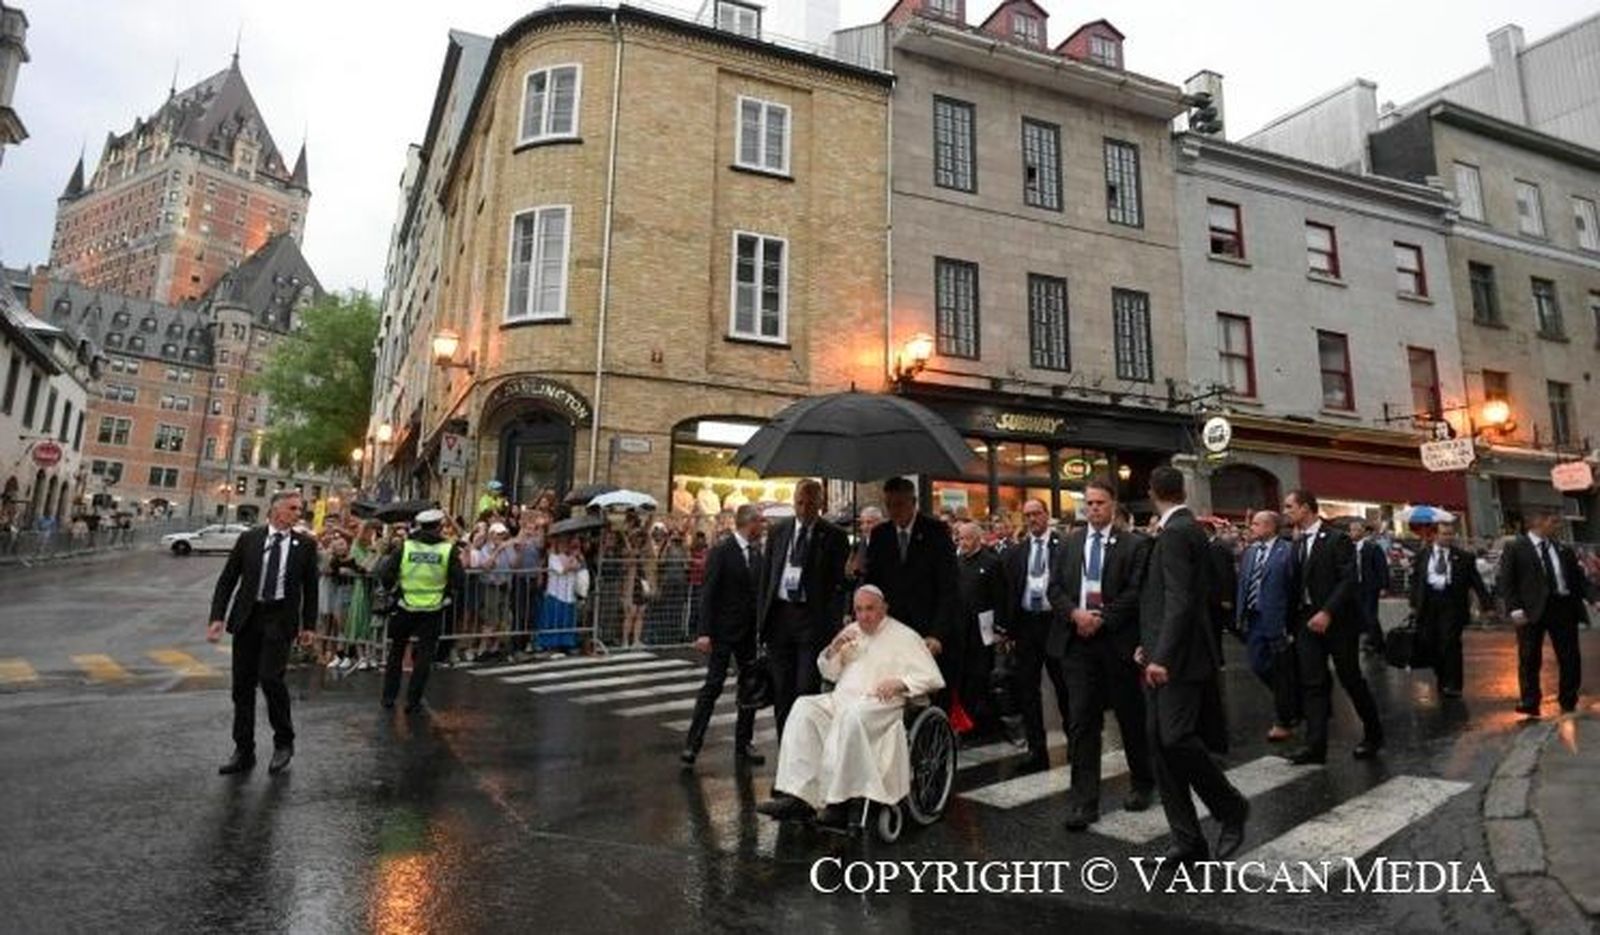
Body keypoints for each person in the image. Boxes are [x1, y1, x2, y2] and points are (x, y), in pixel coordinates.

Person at [1135, 467, 1249, 862]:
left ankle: (1230, 807)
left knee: (1175, 739)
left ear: (1152, 493)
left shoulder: (1178, 532)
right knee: (1161, 747)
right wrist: (1147, 646)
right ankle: (1187, 840)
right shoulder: (1183, 528)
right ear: (1182, 490)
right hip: (1162, 654)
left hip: (1178, 661)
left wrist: (1161, 655)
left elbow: (1181, 600)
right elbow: (1163, 600)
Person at [757, 586, 944, 825]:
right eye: (859, 610)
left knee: (852, 717)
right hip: (842, 698)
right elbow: (830, 673)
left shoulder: (905, 636)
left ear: (883, 608)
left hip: (880, 705)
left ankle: (839, 803)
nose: (864, 616)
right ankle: (800, 796)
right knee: (803, 708)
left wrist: (901, 682)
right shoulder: (851, 631)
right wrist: (834, 650)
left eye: (870, 609)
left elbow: (932, 678)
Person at [1047, 479, 1155, 829]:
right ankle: (1084, 801)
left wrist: (1103, 618)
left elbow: (1137, 591)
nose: (1093, 508)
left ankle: (1142, 782)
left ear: (1113, 505)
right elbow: (1055, 588)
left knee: (1129, 717)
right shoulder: (1068, 543)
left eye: (1100, 503)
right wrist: (1075, 615)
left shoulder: (1134, 545)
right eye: (1089, 503)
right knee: (1082, 722)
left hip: (1116, 644)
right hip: (1077, 644)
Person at [206, 491, 320, 775]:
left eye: (299, 508)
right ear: (276, 510)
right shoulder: (250, 539)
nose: (298, 513)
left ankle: (284, 742)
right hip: (249, 617)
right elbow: (227, 580)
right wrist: (217, 617)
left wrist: (308, 626)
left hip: (280, 618)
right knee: (242, 687)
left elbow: (312, 589)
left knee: (271, 678)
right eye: (293, 508)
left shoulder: (305, 545)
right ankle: (243, 750)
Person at [1282, 489, 1384, 764]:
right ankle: (1315, 746)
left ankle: (1373, 735)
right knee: (1312, 683)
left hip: (1338, 623)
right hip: (1305, 623)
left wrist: (1327, 611)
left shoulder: (1337, 539)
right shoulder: (1296, 543)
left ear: (1306, 508)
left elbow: (1349, 580)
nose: (1286, 511)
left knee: (1350, 678)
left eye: (1290, 506)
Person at [758, 479, 849, 736]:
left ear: (820, 505)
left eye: (810, 503)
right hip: (780, 618)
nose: (804, 508)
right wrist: (761, 623)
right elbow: (767, 577)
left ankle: (804, 746)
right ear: (793, 501)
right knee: (782, 690)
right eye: (800, 502)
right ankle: (785, 749)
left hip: (811, 620)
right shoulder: (778, 531)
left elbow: (837, 584)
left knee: (804, 689)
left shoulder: (834, 536)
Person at [682, 504, 767, 767]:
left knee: (749, 687)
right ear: (748, 523)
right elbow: (708, 593)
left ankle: (744, 743)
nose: (763, 528)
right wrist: (704, 632)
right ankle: (692, 743)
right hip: (721, 631)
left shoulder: (758, 556)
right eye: (760, 523)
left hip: (747, 632)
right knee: (713, 685)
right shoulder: (722, 552)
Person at [864, 477, 961, 704]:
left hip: (929, 628)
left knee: (932, 697)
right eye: (889, 505)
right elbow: (873, 584)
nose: (893, 511)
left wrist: (938, 634)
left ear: (913, 502)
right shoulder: (880, 535)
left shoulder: (936, 531)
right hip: (894, 630)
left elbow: (949, 588)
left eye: (899, 504)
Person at [1498, 506, 1590, 717]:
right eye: (1554, 522)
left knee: (1570, 657)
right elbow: (1507, 581)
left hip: (1562, 608)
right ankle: (1530, 700)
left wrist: (1593, 599)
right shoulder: (1516, 547)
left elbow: (1578, 580)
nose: (1558, 526)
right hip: (1531, 610)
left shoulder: (1562, 549)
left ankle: (1568, 699)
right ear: (1539, 522)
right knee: (1529, 657)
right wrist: (1515, 608)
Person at [1000, 497, 1069, 772]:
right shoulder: (1017, 552)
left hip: (1055, 622)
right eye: (1027, 515)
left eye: (1036, 514)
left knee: (1063, 685)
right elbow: (1010, 591)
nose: (1031, 520)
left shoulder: (1063, 546)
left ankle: (1075, 743)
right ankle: (1036, 749)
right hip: (1027, 625)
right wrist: (1007, 629)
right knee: (1028, 689)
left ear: (1047, 515)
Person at [377, 509, 464, 713]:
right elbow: (459, 580)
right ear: (439, 526)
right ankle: (413, 700)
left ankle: (388, 697)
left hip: (405, 606)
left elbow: (387, 574)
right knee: (424, 656)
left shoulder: (405, 547)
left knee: (396, 652)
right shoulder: (447, 549)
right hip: (433, 608)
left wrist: (394, 590)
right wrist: (447, 594)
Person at [1236, 510, 1299, 742]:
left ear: (1271, 527)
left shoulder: (1287, 551)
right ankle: (1291, 698)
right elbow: (1244, 583)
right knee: (1258, 664)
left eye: (1256, 523)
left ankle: (1285, 718)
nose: (1251, 527)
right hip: (1253, 618)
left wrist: (1289, 622)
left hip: (1276, 618)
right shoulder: (1250, 552)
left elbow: (1293, 588)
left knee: (1281, 669)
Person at [1410, 520, 1490, 699]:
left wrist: (1487, 604)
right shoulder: (1423, 555)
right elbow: (1416, 579)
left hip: (1452, 603)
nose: (1448, 537)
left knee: (1450, 643)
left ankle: (1454, 684)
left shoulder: (1463, 557)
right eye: (1444, 534)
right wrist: (1414, 602)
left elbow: (1476, 582)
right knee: (1432, 643)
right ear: (1435, 535)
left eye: (1450, 534)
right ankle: (1442, 677)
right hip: (1429, 603)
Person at [954, 521, 1007, 737]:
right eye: (960, 538)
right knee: (964, 677)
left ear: (977, 539)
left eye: (966, 538)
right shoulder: (957, 562)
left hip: (983, 631)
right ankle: (967, 721)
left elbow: (1001, 597)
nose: (962, 543)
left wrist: (1001, 629)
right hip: (961, 630)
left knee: (980, 676)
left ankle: (982, 721)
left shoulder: (992, 563)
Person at [538, 533, 583, 656]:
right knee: (554, 620)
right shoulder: (553, 557)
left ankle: (567, 644)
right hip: (556, 594)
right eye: (562, 544)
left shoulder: (574, 557)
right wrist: (572, 560)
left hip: (569, 595)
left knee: (567, 620)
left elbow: (579, 567)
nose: (565, 546)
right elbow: (562, 569)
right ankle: (550, 644)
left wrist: (575, 557)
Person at [1350, 520, 1390, 655]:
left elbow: (1381, 567)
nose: (1353, 533)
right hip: (1356, 587)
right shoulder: (1350, 548)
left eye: (1356, 529)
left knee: (1370, 614)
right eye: (1351, 530)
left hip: (1370, 586)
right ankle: (1372, 640)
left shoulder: (1372, 547)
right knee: (1362, 615)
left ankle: (1377, 642)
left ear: (1363, 531)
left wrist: (1384, 585)